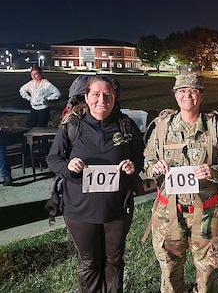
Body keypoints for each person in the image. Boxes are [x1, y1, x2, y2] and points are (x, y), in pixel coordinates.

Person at [46, 75, 145, 293]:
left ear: (114, 97)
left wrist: (133, 166)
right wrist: (68, 167)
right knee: (89, 262)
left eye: (107, 95)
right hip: (80, 210)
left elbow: (141, 157)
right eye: (96, 95)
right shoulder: (72, 126)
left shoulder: (126, 126)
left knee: (114, 261)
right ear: (87, 97)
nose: (102, 100)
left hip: (116, 209)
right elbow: (53, 159)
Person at [143, 73, 218, 292]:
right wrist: (154, 168)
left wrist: (213, 171)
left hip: (208, 214)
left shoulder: (216, 128)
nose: (187, 95)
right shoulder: (161, 128)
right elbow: (148, 162)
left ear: (201, 95)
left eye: (193, 91)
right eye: (182, 91)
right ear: (175, 96)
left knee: (209, 271)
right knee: (169, 270)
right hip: (168, 214)